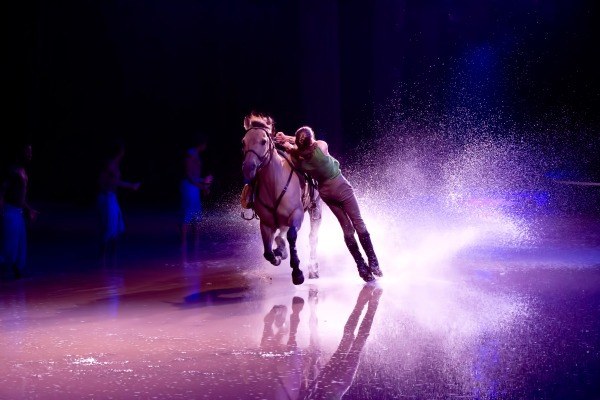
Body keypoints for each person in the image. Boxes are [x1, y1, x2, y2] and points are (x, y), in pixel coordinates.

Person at [276, 126, 382, 282]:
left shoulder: (299, 159)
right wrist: (288, 138)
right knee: (359, 224)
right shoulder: (322, 146)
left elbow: (297, 148)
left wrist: (285, 141)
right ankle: (373, 262)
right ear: (312, 140)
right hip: (342, 188)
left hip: (326, 194)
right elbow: (306, 144)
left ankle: (361, 266)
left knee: (347, 230)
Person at [97, 139, 141, 262]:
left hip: (111, 197)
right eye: (122, 151)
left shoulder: (113, 164)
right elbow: (109, 182)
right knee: (110, 228)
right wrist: (131, 185)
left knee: (116, 227)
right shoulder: (110, 164)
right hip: (107, 197)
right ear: (119, 152)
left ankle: (111, 259)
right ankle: (104, 259)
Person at [0, 142, 38, 279]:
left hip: (18, 212)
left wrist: (28, 209)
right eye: (27, 152)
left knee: (21, 247)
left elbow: (20, 196)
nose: (30, 155)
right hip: (10, 211)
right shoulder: (12, 171)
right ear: (20, 153)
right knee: (9, 248)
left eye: (31, 152)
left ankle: (18, 276)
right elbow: (3, 191)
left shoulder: (22, 171)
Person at [180, 134, 213, 251]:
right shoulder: (190, 155)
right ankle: (184, 244)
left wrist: (203, 185)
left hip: (193, 187)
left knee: (195, 216)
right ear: (202, 144)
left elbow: (193, 176)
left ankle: (195, 243)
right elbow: (189, 175)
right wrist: (202, 183)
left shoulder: (194, 155)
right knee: (187, 216)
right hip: (189, 188)